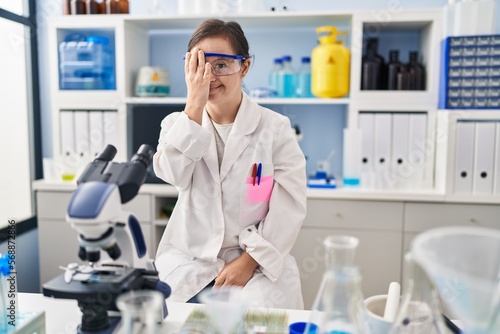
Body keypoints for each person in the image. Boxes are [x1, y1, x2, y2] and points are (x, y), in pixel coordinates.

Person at [153, 18, 307, 309]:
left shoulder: (275, 129)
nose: (208, 76)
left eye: (221, 65)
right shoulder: (176, 124)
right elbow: (173, 175)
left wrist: (249, 262)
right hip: (191, 261)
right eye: (199, 65)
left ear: (244, 67)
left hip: (256, 262)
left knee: (259, 325)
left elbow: (289, 207)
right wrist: (194, 107)